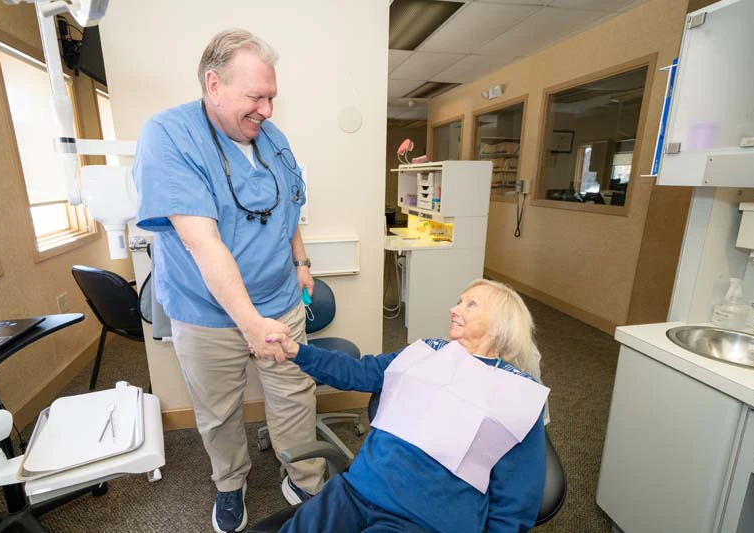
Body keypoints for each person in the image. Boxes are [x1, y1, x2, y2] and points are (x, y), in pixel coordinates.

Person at [132, 29, 324, 533]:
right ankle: (230, 483)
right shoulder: (168, 136)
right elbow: (202, 243)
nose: (267, 110)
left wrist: (302, 262)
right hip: (208, 312)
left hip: (280, 300)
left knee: (294, 396)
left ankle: (304, 479)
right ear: (214, 85)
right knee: (218, 412)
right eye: (256, 97)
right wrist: (251, 324)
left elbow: (289, 207)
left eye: (272, 98)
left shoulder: (272, 139)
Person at [264, 279, 547, 532]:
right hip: (355, 491)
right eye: (459, 301)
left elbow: (518, 495)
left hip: (422, 518)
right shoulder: (426, 352)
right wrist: (297, 351)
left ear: (500, 325)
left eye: (470, 305)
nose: (454, 309)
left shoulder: (516, 392)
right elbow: (357, 371)